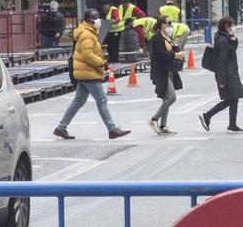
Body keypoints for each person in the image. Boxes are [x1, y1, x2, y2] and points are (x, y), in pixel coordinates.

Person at [53, 8, 129, 141]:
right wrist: (101, 62)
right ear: (89, 20)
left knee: (78, 101)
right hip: (89, 72)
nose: (99, 19)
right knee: (102, 101)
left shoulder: (86, 32)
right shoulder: (87, 35)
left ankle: (61, 127)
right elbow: (87, 55)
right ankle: (112, 129)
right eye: (96, 17)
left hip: (83, 72)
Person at [198, 16, 243, 132]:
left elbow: (233, 48)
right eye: (231, 25)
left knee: (234, 98)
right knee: (231, 99)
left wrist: (233, 38)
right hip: (227, 74)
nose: (233, 28)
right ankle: (207, 115)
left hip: (230, 73)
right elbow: (221, 61)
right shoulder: (223, 41)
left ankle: (232, 125)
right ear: (227, 26)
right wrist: (221, 80)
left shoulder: (225, 39)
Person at [146, 13, 182, 135]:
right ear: (162, 25)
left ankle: (163, 125)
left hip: (170, 69)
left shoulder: (168, 37)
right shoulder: (157, 38)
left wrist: (177, 52)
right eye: (168, 23)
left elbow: (171, 51)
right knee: (172, 97)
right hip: (161, 71)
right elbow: (160, 55)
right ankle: (154, 119)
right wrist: (175, 55)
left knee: (166, 98)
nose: (170, 25)